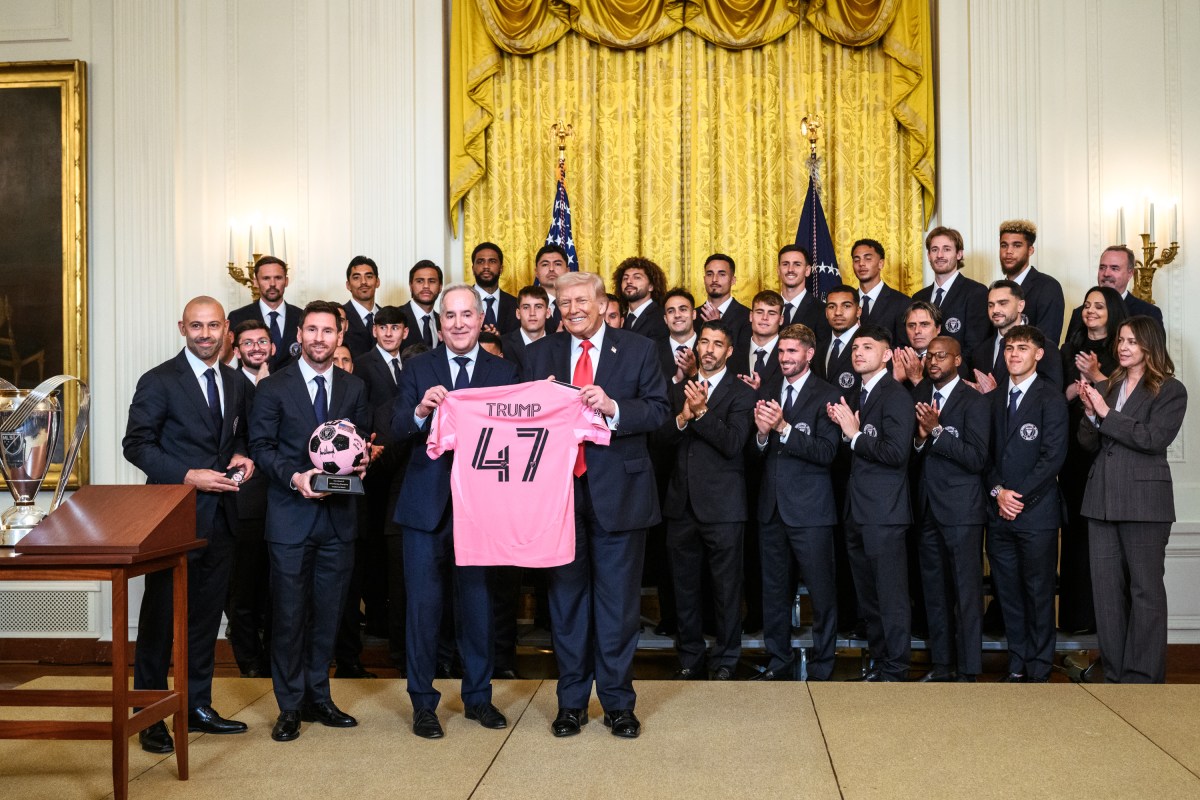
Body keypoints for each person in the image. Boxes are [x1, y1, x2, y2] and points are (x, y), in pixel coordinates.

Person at [522, 271, 669, 738]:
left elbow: (660, 412)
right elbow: (520, 423)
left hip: (620, 496)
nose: (572, 310)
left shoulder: (640, 349)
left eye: (581, 301)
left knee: (619, 606)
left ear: (603, 303)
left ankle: (618, 704)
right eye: (563, 303)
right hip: (558, 497)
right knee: (565, 603)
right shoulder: (536, 355)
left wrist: (613, 407)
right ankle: (570, 705)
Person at [123, 296, 256, 753]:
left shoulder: (237, 383)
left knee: (203, 620)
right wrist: (188, 475)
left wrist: (242, 454)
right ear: (182, 328)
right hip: (170, 518)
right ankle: (149, 716)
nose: (205, 334)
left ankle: (197, 705)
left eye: (213, 325)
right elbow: (136, 445)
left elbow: (238, 435)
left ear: (226, 331)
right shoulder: (158, 381)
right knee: (160, 621)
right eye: (196, 326)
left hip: (221, 521)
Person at [392, 285, 519, 738]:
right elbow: (393, 427)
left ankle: (478, 698)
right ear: (439, 322)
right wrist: (422, 412)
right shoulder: (417, 368)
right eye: (450, 315)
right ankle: (423, 703)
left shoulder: (504, 371)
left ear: (481, 319)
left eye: (467, 314)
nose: (459, 323)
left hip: (481, 512)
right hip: (425, 511)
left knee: (478, 608)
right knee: (423, 611)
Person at [248, 300, 371, 741]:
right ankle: (289, 705)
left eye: (329, 331)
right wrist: (296, 476)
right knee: (288, 615)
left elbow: (358, 447)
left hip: (339, 522)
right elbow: (261, 448)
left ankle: (320, 696)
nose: (320, 338)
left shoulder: (355, 388)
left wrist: (361, 464)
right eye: (312, 330)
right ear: (299, 334)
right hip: (291, 519)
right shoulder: (273, 388)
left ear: (340, 337)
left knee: (329, 616)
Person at [1078, 317, 1185, 683]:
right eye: (1121, 340)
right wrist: (1091, 416)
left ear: (1150, 346)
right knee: (1106, 595)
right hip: (1101, 501)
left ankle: (1142, 678)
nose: (1123, 347)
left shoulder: (1170, 390)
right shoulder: (1109, 386)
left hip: (1144, 502)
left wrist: (1107, 415)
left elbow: (1153, 439)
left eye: (1132, 342)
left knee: (1145, 592)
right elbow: (1089, 444)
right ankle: (1115, 673)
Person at [659, 320, 755, 680]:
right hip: (681, 506)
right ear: (696, 347)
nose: (709, 349)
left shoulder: (742, 392)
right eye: (704, 342)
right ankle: (689, 657)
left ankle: (727, 658)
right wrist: (683, 415)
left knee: (727, 588)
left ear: (729, 351)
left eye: (718, 343)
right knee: (684, 588)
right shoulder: (679, 388)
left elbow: (732, 444)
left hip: (724, 508)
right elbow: (660, 442)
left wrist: (700, 413)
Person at [752, 323, 841, 681]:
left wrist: (784, 429)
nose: (784, 357)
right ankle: (778, 662)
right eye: (781, 351)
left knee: (822, 593)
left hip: (811, 511)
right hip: (771, 509)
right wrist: (760, 435)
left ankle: (823, 666)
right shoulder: (769, 389)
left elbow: (827, 452)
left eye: (791, 351)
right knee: (774, 593)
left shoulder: (828, 394)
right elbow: (754, 453)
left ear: (809, 354)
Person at [826, 324, 915, 681]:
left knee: (890, 597)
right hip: (859, 511)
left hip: (885, 512)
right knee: (870, 598)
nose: (858, 352)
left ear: (887, 353)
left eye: (867, 346)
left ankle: (896, 668)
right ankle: (881, 664)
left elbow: (896, 453)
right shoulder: (862, 394)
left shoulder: (894, 394)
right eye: (855, 347)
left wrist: (853, 434)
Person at [985, 324, 1068, 682]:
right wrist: (997, 492)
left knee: (1037, 592)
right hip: (999, 512)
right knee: (1008, 593)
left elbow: (1053, 458)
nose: (1014, 354)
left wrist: (1016, 497)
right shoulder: (991, 398)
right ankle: (1017, 663)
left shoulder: (1051, 398)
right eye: (1009, 348)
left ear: (1039, 354)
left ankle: (1039, 665)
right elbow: (983, 456)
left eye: (1022, 348)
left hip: (1036, 513)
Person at [911, 336, 990, 682]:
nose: (933, 362)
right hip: (926, 509)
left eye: (941, 356)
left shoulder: (974, 401)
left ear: (958, 361)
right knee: (935, 593)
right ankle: (941, 665)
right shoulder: (917, 396)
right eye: (929, 356)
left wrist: (938, 431)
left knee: (966, 594)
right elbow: (912, 452)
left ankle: (969, 669)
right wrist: (920, 438)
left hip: (962, 512)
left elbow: (976, 458)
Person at [1058, 287, 1127, 635]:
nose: (1090, 311)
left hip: (1109, 454)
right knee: (1075, 536)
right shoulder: (1068, 349)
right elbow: (1056, 397)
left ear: (1112, 311)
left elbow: (1126, 401)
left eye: (1099, 306)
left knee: (1107, 538)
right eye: (1087, 305)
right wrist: (1075, 387)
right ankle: (1076, 620)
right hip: (1073, 455)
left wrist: (1098, 376)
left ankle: (1110, 624)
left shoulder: (1123, 350)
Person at [226, 320, 274, 679]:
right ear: (236, 348)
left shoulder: (287, 381)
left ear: (272, 346)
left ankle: (275, 659)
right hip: (242, 502)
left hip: (280, 502)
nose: (256, 347)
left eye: (262, 341)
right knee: (241, 591)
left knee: (275, 591)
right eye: (248, 343)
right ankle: (250, 662)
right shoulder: (229, 385)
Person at [912, 227, 989, 373]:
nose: (939, 255)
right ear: (928, 255)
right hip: (921, 378)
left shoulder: (976, 292)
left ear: (959, 254)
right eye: (934, 250)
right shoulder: (918, 297)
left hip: (958, 378)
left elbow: (975, 347)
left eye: (946, 249)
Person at [971, 280, 1063, 392]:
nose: (995, 310)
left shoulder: (1044, 347)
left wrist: (995, 394)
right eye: (991, 305)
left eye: (1003, 303)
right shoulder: (980, 352)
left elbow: (1052, 395)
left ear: (1020, 306)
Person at [1065, 246, 1164, 338]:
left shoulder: (1147, 313)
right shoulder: (1081, 313)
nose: (1106, 274)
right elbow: (1068, 354)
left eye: (1114, 268)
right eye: (1102, 268)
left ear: (1130, 273)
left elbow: (1156, 355)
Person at [227, 256, 302, 371]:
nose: (272, 284)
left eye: (278, 278)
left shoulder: (301, 317)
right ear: (255, 282)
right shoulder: (237, 317)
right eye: (266, 278)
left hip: (294, 386)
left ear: (286, 281)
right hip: (250, 388)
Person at [998, 219, 1064, 342]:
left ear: (1030, 250)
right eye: (1004, 245)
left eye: (1017, 245)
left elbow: (1047, 342)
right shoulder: (996, 290)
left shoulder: (1048, 287)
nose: (1008, 252)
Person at [851, 239, 909, 345]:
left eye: (868, 259)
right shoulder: (848, 302)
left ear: (881, 264)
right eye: (856, 260)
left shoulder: (901, 302)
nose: (861, 264)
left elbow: (902, 348)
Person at [695, 253, 750, 355]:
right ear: (704, 279)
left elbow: (743, 358)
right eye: (709, 274)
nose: (714, 279)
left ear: (733, 280)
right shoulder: (692, 316)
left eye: (722, 274)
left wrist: (718, 326)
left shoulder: (746, 316)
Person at [776, 244, 830, 339]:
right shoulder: (766, 309)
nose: (790, 269)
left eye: (797, 264)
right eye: (785, 264)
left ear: (807, 270)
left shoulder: (822, 311)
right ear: (778, 270)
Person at [616, 256, 670, 342]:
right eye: (625, 278)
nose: (629, 281)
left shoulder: (662, 317)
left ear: (651, 286)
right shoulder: (618, 318)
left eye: (637, 277)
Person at [471, 241, 519, 335]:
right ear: (473, 269)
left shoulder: (516, 304)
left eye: (492, 261)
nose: (486, 266)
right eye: (480, 261)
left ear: (501, 269)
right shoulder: (461, 301)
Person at [892, 301, 942, 388]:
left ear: (938, 328)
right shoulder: (896, 360)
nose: (917, 331)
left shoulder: (949, 361)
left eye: (924, 324)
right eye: (911, 325)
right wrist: (896, 382)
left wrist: (916, 378)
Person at [501, 285, 550, 373]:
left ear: (548, 313)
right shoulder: (502, 345)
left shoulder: (559, 348)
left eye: (538, 307)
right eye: (526, 307)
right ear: (518, 313)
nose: (532, 313)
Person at [741, 290, 784, 388]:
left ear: (781, 320)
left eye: (772, 313)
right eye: (759, 312)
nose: (765, 317)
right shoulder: (734, 351)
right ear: (751, 316)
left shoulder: (790, 355)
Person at [399, 259, 443, 351]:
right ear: (410, 286)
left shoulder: (444, 321)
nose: (426, 286)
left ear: (440, 287)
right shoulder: (396, 316)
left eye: (432, 281)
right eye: (419, 281)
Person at [343, 255, 382, 356]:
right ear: (348, 285)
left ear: (377, 282)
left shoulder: (388, 316)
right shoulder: (339, 317)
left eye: (369, 277)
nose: (363, 282)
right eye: (356, 278)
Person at [659, 288, 698, 384]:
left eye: (683, 309)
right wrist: (675, 379)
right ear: (665, 319)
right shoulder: (651, 351)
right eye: (671, 311)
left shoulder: (710, 347)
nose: (677, 315)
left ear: (693, 314)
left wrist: (694, 373)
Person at [534, 243, 567, 333]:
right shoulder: (523, 306)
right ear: (536, 272)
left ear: (568, 271)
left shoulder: (579, 304)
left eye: (557, 264)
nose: (551, 269)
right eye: (545, 265)